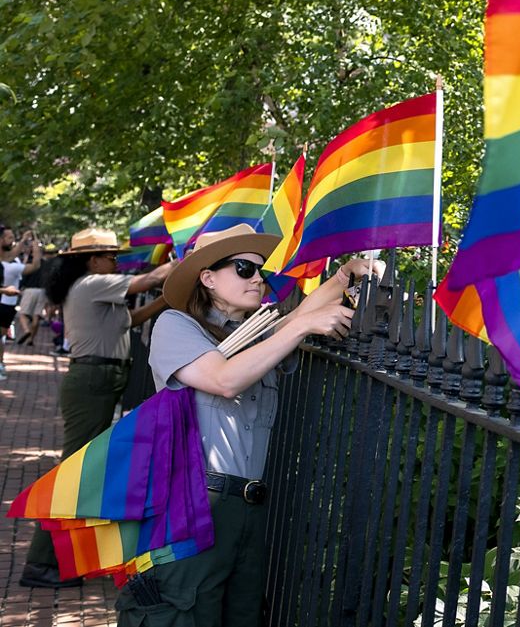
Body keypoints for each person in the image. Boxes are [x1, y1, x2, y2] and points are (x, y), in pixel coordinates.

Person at [115, 224, 371, 626]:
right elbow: (224, 378)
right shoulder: (177, 325)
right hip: (192, 500)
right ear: (208, 278)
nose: (258, 280)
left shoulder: (250, 336)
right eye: (244, 269)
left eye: (261, 271)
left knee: (242, 615)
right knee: (181, 614)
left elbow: (293, 320)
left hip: (247, 508)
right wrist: (303, 326)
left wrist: (344, 277)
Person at [20, 228, 174, 589]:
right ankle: (40, 563)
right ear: (91, 261)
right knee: (73, 474)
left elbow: (129, 322)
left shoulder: (96, 289)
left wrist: (164, 301)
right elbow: (149, 278)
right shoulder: (93, 284)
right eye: (109, 256)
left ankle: (54, 560)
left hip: (100, 380)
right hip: (93, 381)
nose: (116, 262)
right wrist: (185, 261)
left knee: (83, 473)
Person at [0, 226, 43, 381]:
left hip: (6, 305)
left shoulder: (9, 264)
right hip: (7, 303)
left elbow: (12, 255)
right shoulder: (10, 265)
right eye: (9, 237)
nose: (13, 241)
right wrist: (31, 243)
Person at [16, 242, 58, 345]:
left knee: (22, 314)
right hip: (42, 291)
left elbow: (24, 277)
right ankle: (31, 340)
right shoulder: (47, 265)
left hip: (30, 290)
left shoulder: (31, 263)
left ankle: (26, 331)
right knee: (36, 316)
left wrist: (20, 287)